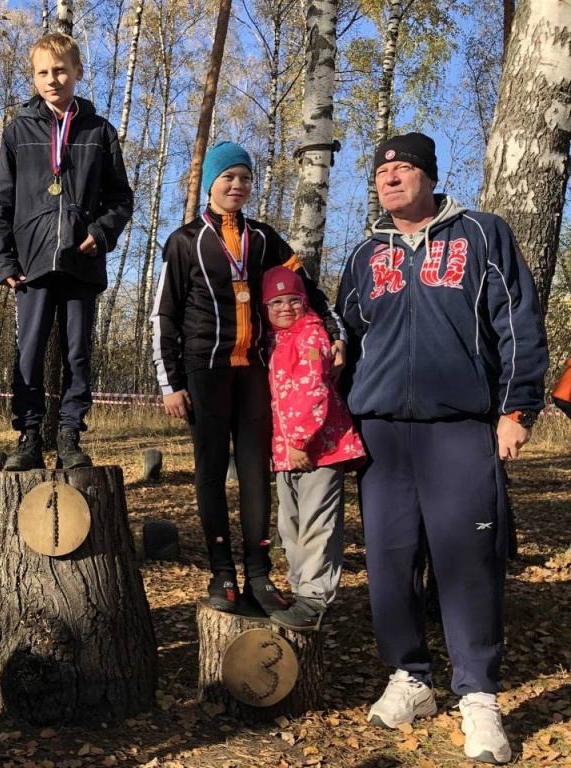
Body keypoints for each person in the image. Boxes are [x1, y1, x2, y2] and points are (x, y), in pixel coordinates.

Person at [336, 132, 548, 765]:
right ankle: (410, 676)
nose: (389, 178)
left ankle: (480, 696)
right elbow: (343, 335)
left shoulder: (482, 235)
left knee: (469, 559)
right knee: (390, 560)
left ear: (429, 176)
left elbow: (517, 322)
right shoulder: (365, 253)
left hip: (461, 426)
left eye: (402, 169)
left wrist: (516, 409)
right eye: (381, 172)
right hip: (381, 434)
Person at [151, 140, 345, 617]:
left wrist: (335, 332)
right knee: (212, 472)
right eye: (228, 178)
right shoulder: (184, 240)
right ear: (211, 185)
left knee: (257, 471)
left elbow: (308, 288)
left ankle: (258, 572)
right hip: (205, 369)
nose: (236, 186)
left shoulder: (264, 239)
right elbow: (165, 316)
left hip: (257, 370)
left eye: (244, 178)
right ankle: (222, 574)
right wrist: (169, 383)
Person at [0, 32, 133, 471]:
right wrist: (3, 260)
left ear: (78, 73)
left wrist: (101, 232)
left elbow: (120, 199)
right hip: (31, 264)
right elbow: (0, 201)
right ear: (34, 77)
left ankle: (70, 435)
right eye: (43, 72)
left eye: (61, 70)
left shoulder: (99, 131)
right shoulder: (18, 131)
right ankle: (29, 436)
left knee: (77, 352)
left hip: (81, 259)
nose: (53, 79)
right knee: (28, 351)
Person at [261, 266, 365, 632]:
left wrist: (299, 441)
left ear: (306, 303)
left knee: (316, 523)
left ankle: (315, 598)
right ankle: (299, 588)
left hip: (317, 448)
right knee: (290, 524)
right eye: (276, 302)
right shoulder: (276, 341)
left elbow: (313, 392)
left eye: (293, 300)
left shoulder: (311, 335)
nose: (286, 307)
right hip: (286, 450)